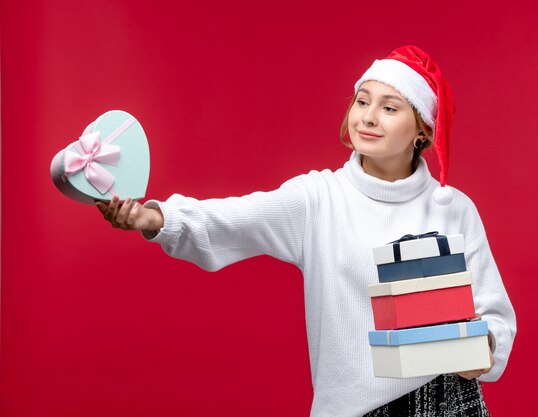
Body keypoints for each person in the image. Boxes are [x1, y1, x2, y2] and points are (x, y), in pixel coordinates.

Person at [96, 45, 516, 417]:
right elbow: (233, 219)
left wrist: (476, 348)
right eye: (362, 101)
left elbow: (495, 319)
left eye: (389, 108)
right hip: (353, 408)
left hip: (449, 403)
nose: (367, 117)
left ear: (422, 128)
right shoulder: (319, 198)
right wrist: (154, 219)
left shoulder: (453, 207)